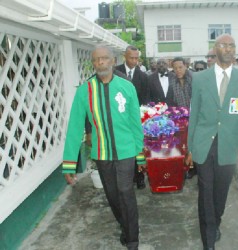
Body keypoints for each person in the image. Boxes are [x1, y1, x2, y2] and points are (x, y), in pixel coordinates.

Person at [185, 34, 238, 250]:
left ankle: (215, 222)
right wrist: (190, 147)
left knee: (220, 193)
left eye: (232, 46)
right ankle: (208, 239)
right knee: (205, 192)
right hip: (204, 144)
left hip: (229, 146)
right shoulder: (200, 78)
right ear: (215, 48)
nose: (228, 49)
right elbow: (194, 115)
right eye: (224, 45)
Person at [62, 45, 145, 250]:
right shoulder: (85, 91)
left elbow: (136, 122)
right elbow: (74, 128)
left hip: (126, 151)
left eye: (104, 59)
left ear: (112, 60)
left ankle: (133, 239)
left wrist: (140, 154)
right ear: (93, 63)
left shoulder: (127, 87)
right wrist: (69, 164)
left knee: (126, 191)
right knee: (113, 195)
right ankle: (125, 227)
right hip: (102, 153)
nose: (100, 63)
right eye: (96, 60)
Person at [116, 45, 148, 189]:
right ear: (125, 56)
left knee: (138, 148)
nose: (134, 61)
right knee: (124, 151)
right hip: (119, 120)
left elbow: (145, 99)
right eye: (131, 58)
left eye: (136, 58)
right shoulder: (115, 72)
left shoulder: (143, 76)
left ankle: (140, 177)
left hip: (136, 120)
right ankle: (126, 178)